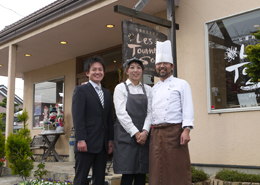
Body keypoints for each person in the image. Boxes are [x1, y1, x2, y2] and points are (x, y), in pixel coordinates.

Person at [145, 40, 194, 185]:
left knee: (177, 169)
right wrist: (145, 131)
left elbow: (188, 108)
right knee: (156, 171)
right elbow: (150, 113)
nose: (162, 66)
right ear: (155, 67)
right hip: (156, 133)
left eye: (165, 63)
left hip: (175, 132)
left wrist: (186, 130)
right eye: (159, 64)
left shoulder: (181, 84)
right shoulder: (153, 89)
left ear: (172, 66)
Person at [71, 55, 114, 185]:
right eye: (94, 69)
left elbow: (109, 118)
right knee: (81, 179)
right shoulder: (81, 90)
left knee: (99, 179)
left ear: (103, 72)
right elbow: (78, 116)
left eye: (100, 69)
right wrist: (81, 139)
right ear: (87, 73)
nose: (97, 72)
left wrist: (110, 140)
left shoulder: (106, 93)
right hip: (86, 143)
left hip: (102, 145)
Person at [113, 57, 151, 185]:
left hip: (144, 137)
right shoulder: (120, 88)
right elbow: (121, 113)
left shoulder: (148, 89)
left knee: (141, 173)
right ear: (126, 71)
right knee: (128, 174)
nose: (136, 70)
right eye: (132, 67)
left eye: (139, 67)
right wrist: (136, 133)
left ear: (142, 71)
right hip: (127, 137)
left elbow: (151, 112)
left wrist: (145, 132)